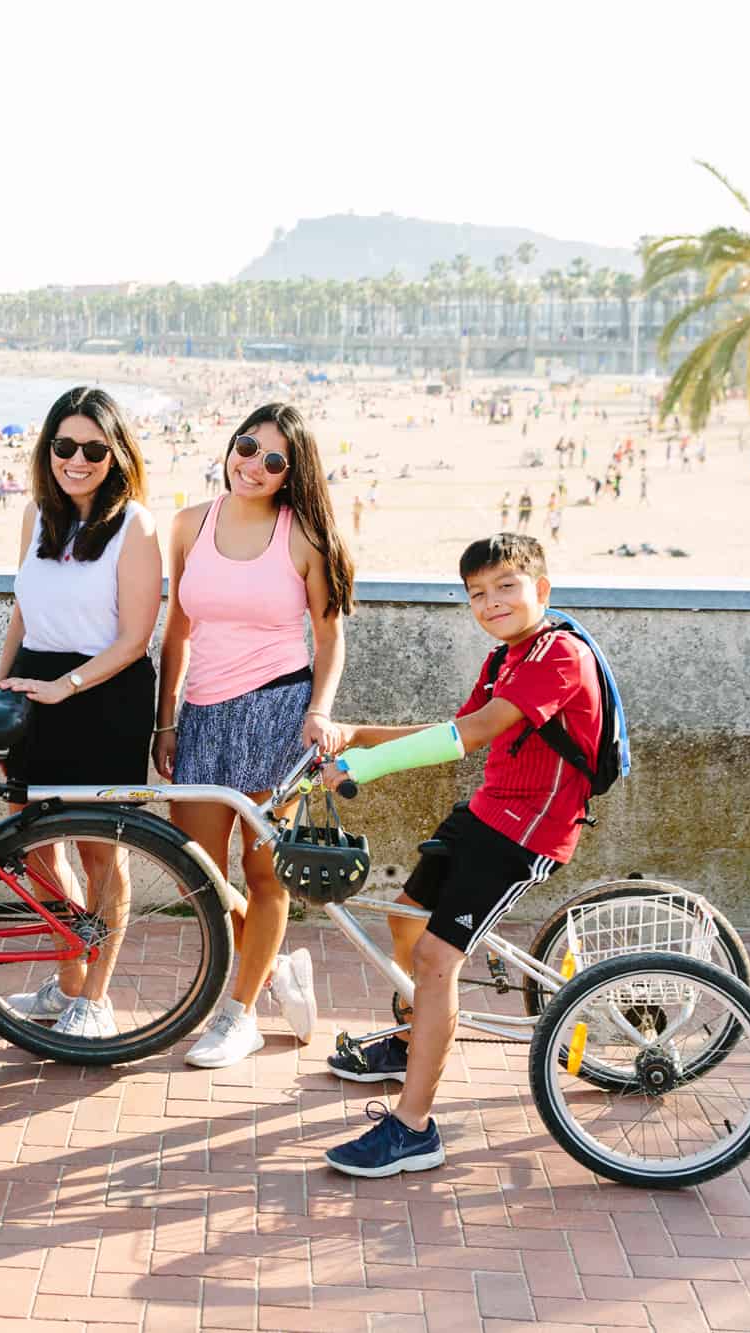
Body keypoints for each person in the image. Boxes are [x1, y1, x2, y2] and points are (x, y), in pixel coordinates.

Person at [319, 533, 603, 1177]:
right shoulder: (506, 657)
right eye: (478, 593)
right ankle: (408, 1038)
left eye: (506, 586)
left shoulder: (559, 657)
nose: (491, 601)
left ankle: (414, 1128)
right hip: (486, 812)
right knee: (404, 918)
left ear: (542, 590)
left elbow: (469, 735)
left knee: (436, 959)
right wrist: (354, 733)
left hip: (528, 829)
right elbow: (452, 729)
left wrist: (366, 762)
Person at [155, 404, 352, 1069]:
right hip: (204, 717)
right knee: (198, 875)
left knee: (265, 873)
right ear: (230, 444)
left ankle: (238, 1016)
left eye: (274, 459)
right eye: (248, 446)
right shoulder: (188, 525)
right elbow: (175, 634)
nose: (255, 465)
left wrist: (319, 713)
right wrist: (166, 720)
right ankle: (275, 969)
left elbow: (328, 637)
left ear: (291, 472)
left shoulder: (305, 537)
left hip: (279, 712)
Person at [0, 387, 162, 1039]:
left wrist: (70, 684)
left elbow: (135, 637)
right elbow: (20, 608)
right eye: (65, 446)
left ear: (116, 454)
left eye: (94, 448)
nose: (78, 459)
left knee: (100, 853)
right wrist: (1, 683)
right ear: (48, 450)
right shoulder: (37, 516)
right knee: (31, 844)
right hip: (35, 686)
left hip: (104, 693)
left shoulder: (135, 525)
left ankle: (95, 996)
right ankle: (68, 971)